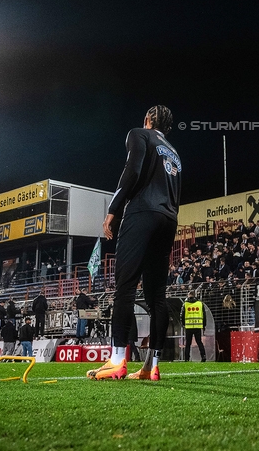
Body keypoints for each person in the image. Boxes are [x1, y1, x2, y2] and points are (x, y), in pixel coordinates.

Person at [89, 105, 182, 381]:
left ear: (148, 120)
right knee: (157, 298)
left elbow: (132, 169)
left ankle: (117, 360)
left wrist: (113, 208)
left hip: (142, 212)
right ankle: (151, 366)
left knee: (125, 286)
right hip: (169, 218)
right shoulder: (176, 154)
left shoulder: (140, 134)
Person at [182, 290, 206, 362]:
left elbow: (182, 316)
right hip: (198, 326)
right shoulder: (200, 304)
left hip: (188, 326)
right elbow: (204, 315)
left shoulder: (185, 304)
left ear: (188, 295)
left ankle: (186, 358)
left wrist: (184, 324)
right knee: (199, 342)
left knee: (188, 343)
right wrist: (204, 325)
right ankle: (203, 356)